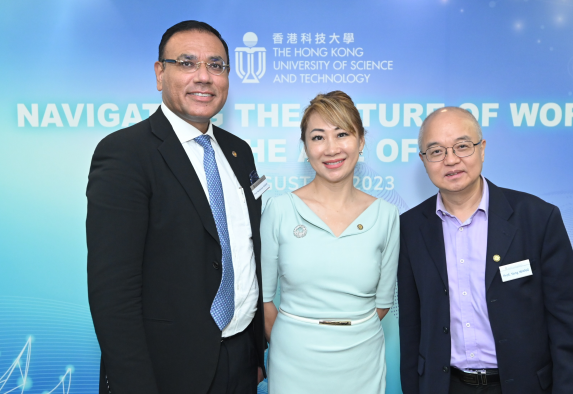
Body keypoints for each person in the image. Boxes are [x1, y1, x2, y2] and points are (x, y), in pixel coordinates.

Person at [86, 21, 265, 394]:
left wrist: (254, 354)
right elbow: (113, 294)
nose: (204, 77)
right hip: (164, 370)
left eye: (216, 66)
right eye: (187, 63)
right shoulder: (126, 153)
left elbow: (246, 253)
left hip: (241, 363)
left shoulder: (238, 151)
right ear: (159, 73)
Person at [397, 106, 573, 394]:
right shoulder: (409, 227)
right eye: (436, 151)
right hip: (445, 385)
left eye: (462, 146)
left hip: (524, 385)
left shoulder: (537, 218)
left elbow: (569, 324)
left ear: (482, 149)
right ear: (423, 160)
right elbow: (411, 327)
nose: (451, 160)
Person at [261, 91, 400, 393]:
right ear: (306, 147)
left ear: (361, 141)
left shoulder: (386, 215)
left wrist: (348, 330)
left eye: (342, 134)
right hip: (293, 360)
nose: (331, 149)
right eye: (318, 137)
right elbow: (265, 300)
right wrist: (299, 334)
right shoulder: (279, 209)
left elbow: (383, 303)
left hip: (362, 360)